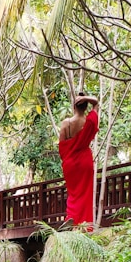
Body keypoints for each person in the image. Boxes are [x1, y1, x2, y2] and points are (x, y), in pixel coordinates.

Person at [58, 93, 99, 227]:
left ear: (73, 106)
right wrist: (87, 98)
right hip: (85, 162)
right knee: (85, 194)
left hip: (70, 163)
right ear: (86, 106)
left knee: (73, 194)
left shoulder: (66, 123)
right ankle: (84, 225)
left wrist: (67, 160)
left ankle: (71, 218)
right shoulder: (89, 121)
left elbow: (62, 146)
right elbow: (97, 103)